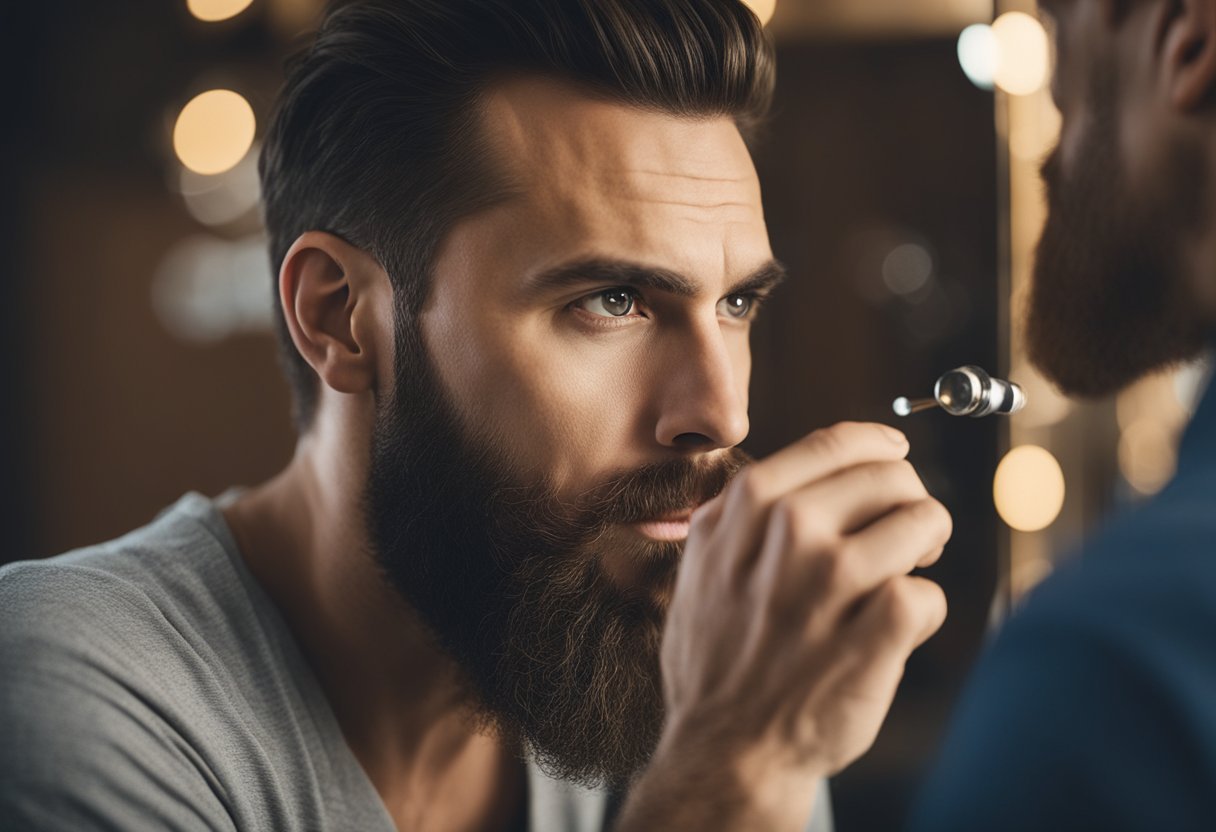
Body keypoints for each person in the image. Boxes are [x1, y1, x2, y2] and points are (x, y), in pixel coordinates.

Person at [0, 1, 955, 830]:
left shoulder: (671, 658)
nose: (722, 412)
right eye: (613, 301)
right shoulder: (66, 698)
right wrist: (733, 778)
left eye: (737, 304)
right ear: (339, 315)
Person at [909, 0, 1216, 828]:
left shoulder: (1107, 673)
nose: (1046, 88)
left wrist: (740, 757)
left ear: (1185, 41)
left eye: (1056, 17)